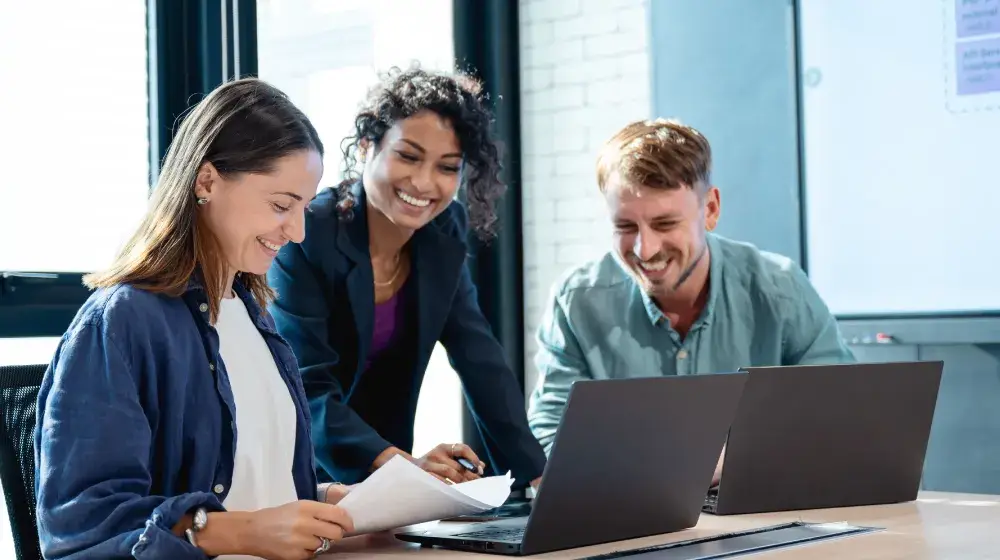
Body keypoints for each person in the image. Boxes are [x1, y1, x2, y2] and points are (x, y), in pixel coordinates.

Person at [34, 78, 355, 560]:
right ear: (206, 181)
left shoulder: (252, 315)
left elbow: (253, 485)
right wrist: (240, 534)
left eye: (305, 208)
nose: (298, 230)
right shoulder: (121, 322)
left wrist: (331, 501)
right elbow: (83, 526)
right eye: (281, 205)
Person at [527, 118, 855, 484]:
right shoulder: (576, 303)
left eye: (665, 224)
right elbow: (549, 440)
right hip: (631, 521)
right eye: (625, 227)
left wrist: (723, 464)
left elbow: (842, 421)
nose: (644, 249)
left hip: (765, 518)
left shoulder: (780, 290)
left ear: (710, 210)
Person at [267, 66, 546, 490]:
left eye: (447, 167)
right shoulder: (308, 234)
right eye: (409, 156)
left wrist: (537, 476)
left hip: (387, 484)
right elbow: (306, 383)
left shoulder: (443, 231)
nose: (424, 182)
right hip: (297, 478)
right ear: (366, 148)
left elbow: (480, 360)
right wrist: (401, 466)